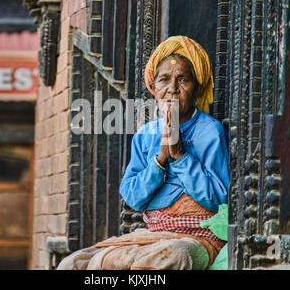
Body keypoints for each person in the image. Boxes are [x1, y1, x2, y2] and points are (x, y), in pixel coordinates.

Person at [57, 36, 230, 270]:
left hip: (196, 238)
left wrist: (181, 157)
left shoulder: (209, 130)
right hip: (152, 236)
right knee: (72, 264)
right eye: (164, 80)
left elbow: (218, 198)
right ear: (153, 88)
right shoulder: (146, 133)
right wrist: (160, 160)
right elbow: (133, 198)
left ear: (196, 88)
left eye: (183, 80)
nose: (172, 89)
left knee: (172, 257)